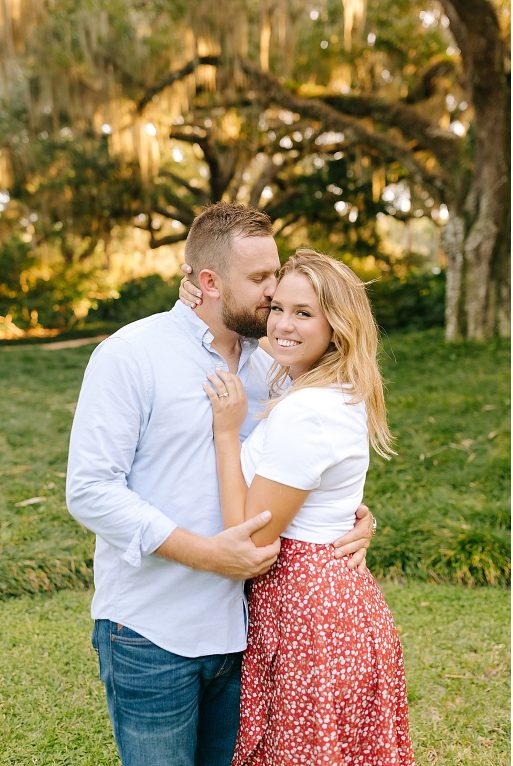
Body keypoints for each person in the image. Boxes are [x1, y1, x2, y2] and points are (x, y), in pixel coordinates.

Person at [66, 203, 374, 766]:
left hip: (247, 634)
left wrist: (347, 514)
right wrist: (208, 554)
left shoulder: (271, 361)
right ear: (208, 281)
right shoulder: (131, 355)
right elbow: (90, 490)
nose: (273, 291)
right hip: (153, 631)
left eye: (275, 274)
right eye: (260, 279)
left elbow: (299, 460)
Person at [203, 250, 414, 765]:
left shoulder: (307, 410)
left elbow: (250, 536)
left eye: (304, 313)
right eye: (277, 308)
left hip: (307, 607)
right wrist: (197, 294)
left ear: (337, 327)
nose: (281, 325)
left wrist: (227, 432)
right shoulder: (334, 389)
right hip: (332, 598)